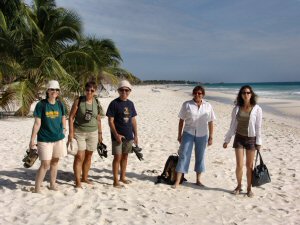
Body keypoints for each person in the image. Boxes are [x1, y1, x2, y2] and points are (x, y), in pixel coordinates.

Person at [173, 85, 216, 189]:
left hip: (202, 134)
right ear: (193, 93)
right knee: (184, 155)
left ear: (203, 95)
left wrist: (211, 137)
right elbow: (181, 121)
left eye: (200, 93)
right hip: (188, 132)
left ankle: (198, 180)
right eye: (195, 93)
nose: (197, 95)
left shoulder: (208, 106)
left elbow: (211, 122)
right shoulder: (187, 104)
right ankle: (178, 181)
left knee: (200, 156)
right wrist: (179, 135)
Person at [223, 85, 262, 198]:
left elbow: (259, 127)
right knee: (239, 165)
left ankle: (249, 188)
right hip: (239, 138)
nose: (246, 94)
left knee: (249, 166)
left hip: (251, 139)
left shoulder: (257, 109)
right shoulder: (236, 108)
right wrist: (227, 140)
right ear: (241, 95)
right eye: (244, 93)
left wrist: (258, 142)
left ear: (251, 94)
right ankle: (239, 186)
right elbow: (232, 126)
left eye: (248, 92)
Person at [29, 80, 66, 193]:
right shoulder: (41, 105)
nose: (54, 92)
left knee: (55, 162)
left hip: (58, 138)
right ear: (48, 91)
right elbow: (37, 123)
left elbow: (63, 117)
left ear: (58, 92)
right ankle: (37, 188)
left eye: (56, 90)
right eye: (52, 89)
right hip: (44, 139)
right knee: (45, 164)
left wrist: (64, 129)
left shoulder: (60, 104)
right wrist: (32, 140)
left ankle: (52, 184)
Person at [68, 81, 103, 188]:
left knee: (89, 156)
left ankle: (85, 177)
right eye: (87, 90)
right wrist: (71, 132)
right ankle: (78, 181)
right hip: (79, 132)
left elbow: (98, 119)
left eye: (92, 90)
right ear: (85, 90)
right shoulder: (79, 101)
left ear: (95, 91)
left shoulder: (96, 102)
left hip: (93, 133)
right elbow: (71, 117)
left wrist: (100, 133)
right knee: (79, 156)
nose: (89, 92)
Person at [106, 80, 138, 188]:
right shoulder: (114, 103)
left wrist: (136, 135)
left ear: (129, 91)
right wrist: (116, 135)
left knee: (125, 157)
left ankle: (122, 177)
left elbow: (133, 120)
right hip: (117, 136)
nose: (124, 92)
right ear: (118, 91)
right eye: (122, 90)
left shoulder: (131, 104)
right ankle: (115, 181)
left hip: (129, 136)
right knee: (117, 158)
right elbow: (110, 121)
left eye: (126, 90)